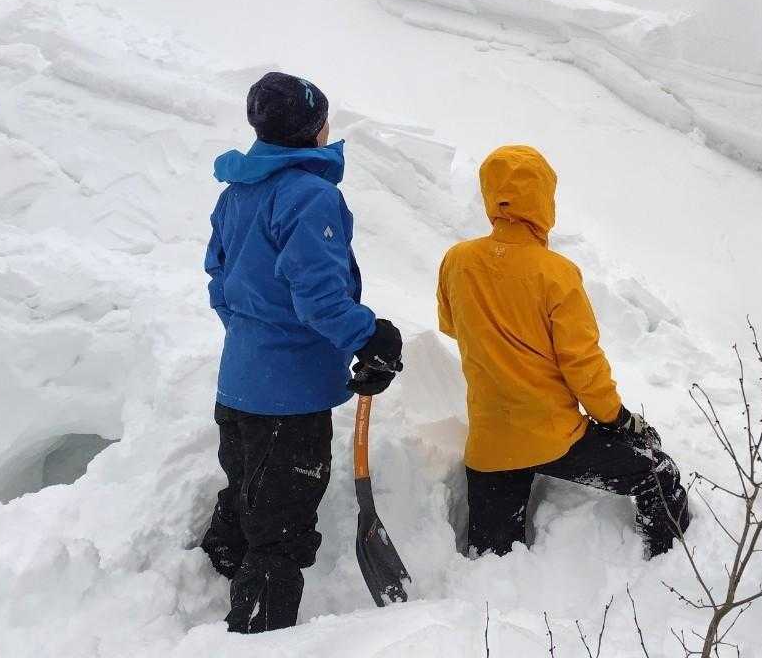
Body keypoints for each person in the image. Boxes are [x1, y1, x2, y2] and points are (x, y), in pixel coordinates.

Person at [201, 71, 405, 634]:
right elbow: (318, 298)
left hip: (237, 387)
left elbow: (220, 284)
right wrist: (371, 337)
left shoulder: (236, 194)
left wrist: (257, 341)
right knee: (281, 535)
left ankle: (207, 590)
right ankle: (255, 638)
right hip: (288, 405)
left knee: (247, 498)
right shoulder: (310, 195)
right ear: (313, 127)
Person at [437, 145, 691, 559]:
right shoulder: (556, 273)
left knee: (491, 564)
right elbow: (582, 365)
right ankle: (670, 568)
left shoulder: (457, 261)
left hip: (490, 444)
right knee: (658, 476)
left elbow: (452, 325)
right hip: (555, 438)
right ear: (542, 200)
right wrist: (616, 418)